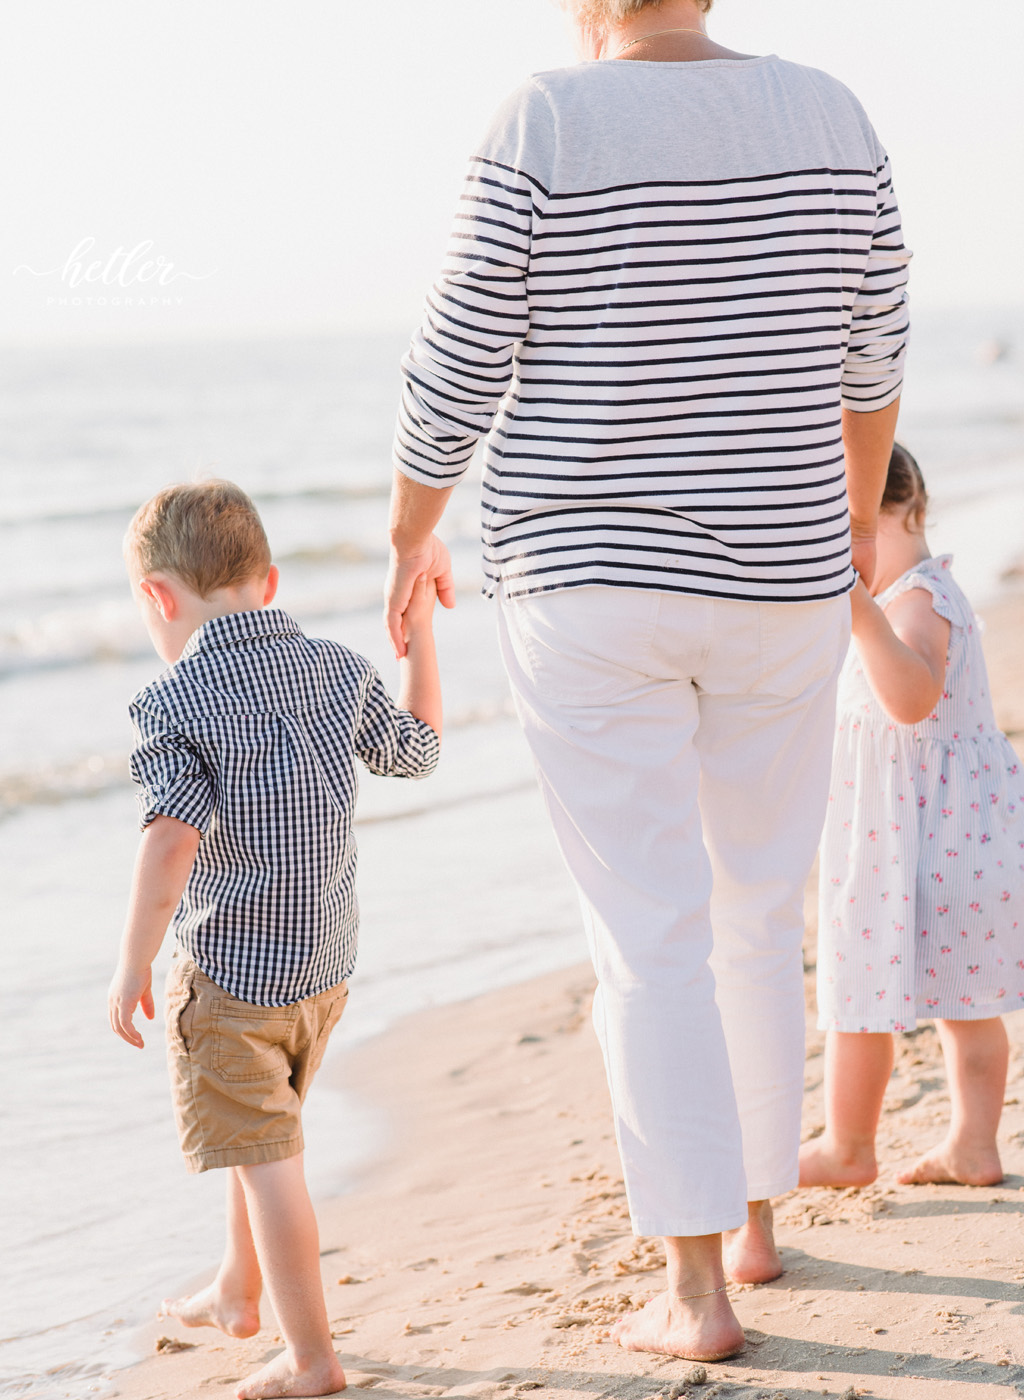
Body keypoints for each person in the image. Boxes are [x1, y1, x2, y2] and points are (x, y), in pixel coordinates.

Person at [385, 0, 910, 1362]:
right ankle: (750, 1228)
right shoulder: (831, 116)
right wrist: (848, 518)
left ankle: (694, 1295)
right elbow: (874, 355)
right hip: (785, 578)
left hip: (590, 582)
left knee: (649, 933)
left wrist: (407, 532)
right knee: (754, 906)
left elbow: (457, 360)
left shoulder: (545, 119)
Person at [108, 480, 441, 1400]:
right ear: (269, 582)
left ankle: (311, 1358)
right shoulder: (337, 669)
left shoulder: (176, 700)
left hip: (231, 982)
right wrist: (423, 638)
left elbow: (170, 839)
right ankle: (235, 1287)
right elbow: (418, 749)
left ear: (157, 599)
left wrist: (132, 958)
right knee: (258, 1138)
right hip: (323, 974)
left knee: (267, 1159)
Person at [800, 445, 1024, 1192]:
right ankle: (969, 1144)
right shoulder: (914, 594)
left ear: (890, 514)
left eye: (842, 532)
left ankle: (851, 1146)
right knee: (962, 1004)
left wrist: (859, 613)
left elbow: (912, 699)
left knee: (864, 1000)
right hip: (935, 836)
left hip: (925, 844)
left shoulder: (917, 599)